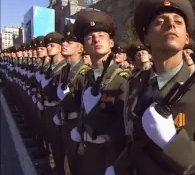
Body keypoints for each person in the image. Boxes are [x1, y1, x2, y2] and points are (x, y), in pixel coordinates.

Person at [107, 0, 195, 174]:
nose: (171, 25)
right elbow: (129, 139)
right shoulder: (133, 84)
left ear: (186, 38)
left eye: (178, 22)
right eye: (160, 21)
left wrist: (173, 142)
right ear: (146, 39)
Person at [69, 10, 131, 175]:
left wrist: (93, 113)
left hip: (108, 154)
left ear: (111, 43)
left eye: (101, 35)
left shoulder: (122, 80)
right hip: (87, 149)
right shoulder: (88, 75)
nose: (95, 39)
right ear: (83, 46)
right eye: (90, 37)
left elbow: (123, 128)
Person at [54, 23, 90, 175]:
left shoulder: (84, 73)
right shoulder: (65, 70)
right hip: (65, 121)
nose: (64, 44)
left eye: (69, 43)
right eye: (64, 42)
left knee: (79, 166)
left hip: (76, 125)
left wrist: (80, 128)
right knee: (69, 160)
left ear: (80, 49)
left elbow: (86, 106)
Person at [41, 31, 67, 174]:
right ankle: (57, 168)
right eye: (48, 45)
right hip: (48, 108)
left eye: (52, 45)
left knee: (62, 145)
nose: (48, 48)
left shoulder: (64, 67)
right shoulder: (51, 66)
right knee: (53, 141)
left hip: (59, 112)